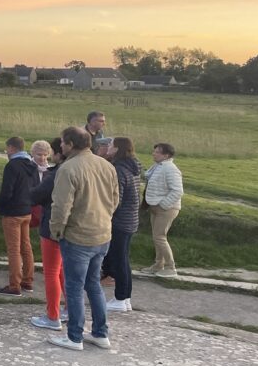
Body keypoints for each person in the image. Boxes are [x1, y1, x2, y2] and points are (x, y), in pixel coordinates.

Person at [48, 127, 120, 351]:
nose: (60, 146)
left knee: (74, 286)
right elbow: (115, 199)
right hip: (102, 232)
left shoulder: (68, 168)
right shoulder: (106, 165)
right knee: (94, 285)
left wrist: (56, 230)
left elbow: (61, 206)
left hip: (78, 235)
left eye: (62, 142)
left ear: (70, 144)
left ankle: (74, 336)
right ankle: (100, 333)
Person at [29, 138, 67, 330]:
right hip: (74, 227)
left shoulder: (59, 172)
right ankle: (68, 307)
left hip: (53, 225)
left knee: (51, 271)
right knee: (63, 270)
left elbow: (36, 195)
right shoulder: (87, 167)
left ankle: (53, 316)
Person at [0, 137, 38, 296]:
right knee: (26, 247)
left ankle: (14, 285)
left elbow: (7, 190)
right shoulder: (32, 165)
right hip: (27, 210)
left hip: (12, 212)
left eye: (7, 149)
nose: (6, 152)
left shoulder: (12, 166)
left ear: (12, 148)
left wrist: (0, 206)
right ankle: (28, 280)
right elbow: (36, 187)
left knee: (13, 249)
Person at [102, 138, 141, 311]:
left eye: (111, 146)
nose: (108, 148)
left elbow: (116, 199)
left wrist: (106, 215)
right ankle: (125, 298)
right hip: (130, 219)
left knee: (119, 260)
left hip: (119, 221)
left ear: (117, 148)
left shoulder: (118, 169)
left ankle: (120, 297)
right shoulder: (133, 167)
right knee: (123, 259)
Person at [142, 142, 183, 277]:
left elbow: (177, 191)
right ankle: (158, 265)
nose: (154, 153)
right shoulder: (158, 166)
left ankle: (171, 268)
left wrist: (163, 205)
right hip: (156, 207)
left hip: (166, 208)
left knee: (159, 237)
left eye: (157, 152)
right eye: (154, 151)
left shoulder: (170, 168)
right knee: (156, 237)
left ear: (166, 155)